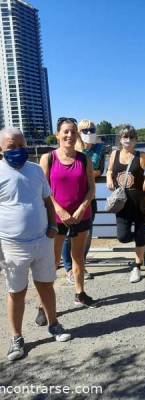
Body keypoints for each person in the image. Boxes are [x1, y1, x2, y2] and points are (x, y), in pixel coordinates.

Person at [0, 128, 72, 361]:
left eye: (22, 145)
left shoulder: (36, 170)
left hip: (42, 240)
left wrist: (53, 227)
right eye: (12, 146)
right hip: (12, 245)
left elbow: (47, 202)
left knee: (46, 286)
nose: (18, 150)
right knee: (16, 292)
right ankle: (17, 338)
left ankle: (54, 324)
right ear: (1, 149)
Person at [40, 118, 96, 308]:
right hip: (56, 219)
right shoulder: (48, 158)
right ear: (58, 135)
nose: (69, 135)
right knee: (52, 262)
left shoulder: (84, 159)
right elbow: (43, 190)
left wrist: (81, 209)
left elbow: (91, 189)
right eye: (65, 131)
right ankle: (43, 304)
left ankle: (80, 293)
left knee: (78, 258)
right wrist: (59, 209)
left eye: (73, 131)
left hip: (81, 216)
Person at [61, 119, 105, 284]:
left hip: (88, 199)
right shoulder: (71, 149)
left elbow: (100, 170)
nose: (89, 133)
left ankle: (80, 265)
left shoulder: (100, 149)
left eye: (92, 129)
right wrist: (87, 174)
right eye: (85, 130)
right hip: (68, 199)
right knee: (67, 236)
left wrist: (86, 174)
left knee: (86, 235)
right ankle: (69, 268)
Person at [106, 125, 145, 283]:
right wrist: (109, 178)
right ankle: (144, 237)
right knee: (122, 236)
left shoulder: (142, 156)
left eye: (131, 137)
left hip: (140, 201)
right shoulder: (114, 154)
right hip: (122, 203)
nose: (128, 140)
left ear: (136, 140)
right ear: (120, 139)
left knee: (138, 234)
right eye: (125, 137)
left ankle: (137, 267)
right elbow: (110, 170)